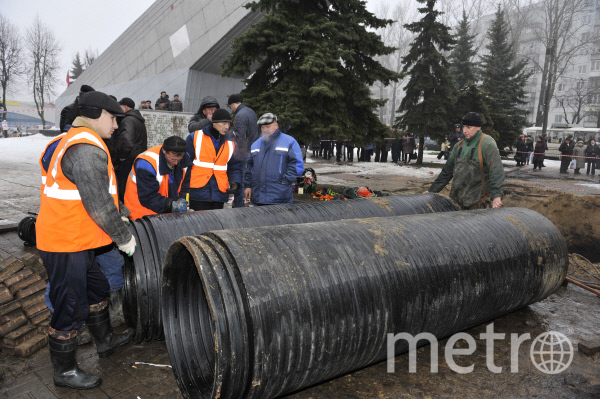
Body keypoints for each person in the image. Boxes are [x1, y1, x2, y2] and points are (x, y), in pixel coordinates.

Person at [35, 91, 136, 390]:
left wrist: (122, 211)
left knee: (97, 288)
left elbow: (99, 194)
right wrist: (123, 237)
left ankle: (104, 341)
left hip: (80, 240)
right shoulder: (86, 148)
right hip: (65, 242)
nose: (116, 125)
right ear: (96, 115)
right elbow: (97, 203)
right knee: (70, 306)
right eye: (113, 118)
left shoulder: (76, 141)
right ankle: (63, 372)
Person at [425, 112, 504, 210]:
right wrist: (432, 190)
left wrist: (497, 196)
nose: (464, 131)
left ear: (478, 127)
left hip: (478, 205)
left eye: (468, 127)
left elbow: (496, 171)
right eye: (463, 127)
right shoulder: (458, 146)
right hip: (457, 203)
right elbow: (447, 171)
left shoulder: (487, 144)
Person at [186, 108, 241, 210]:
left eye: (228, 124)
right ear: (214, 123)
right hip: (198, 192)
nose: (226, 127)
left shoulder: (231, 143)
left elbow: (235, 166)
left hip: (219, 194)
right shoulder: (195, 137)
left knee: (215, 224)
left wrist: (235, 182)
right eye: (224, 123)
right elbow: (185, 164)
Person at [124, 135, 192, 219]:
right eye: (172, 159)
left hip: (165, 216)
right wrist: (172, 205)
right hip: (141, 216)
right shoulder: (146, 163)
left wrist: (182, 202)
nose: (176, 163)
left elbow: (184, 188)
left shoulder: (185, 161)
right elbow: (148, 197)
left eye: (179, 159)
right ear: (164, 151)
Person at [244, 113, 304, 205]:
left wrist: (285, 181)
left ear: (276, 125)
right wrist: (248, 186)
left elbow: (297, 165)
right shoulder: (255, 144)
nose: (265, 130)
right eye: (262, 127)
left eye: (268, 127)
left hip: (279, 197)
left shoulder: (289, 141)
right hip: (258, 197)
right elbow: (249, 168)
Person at [111, 98, 148, 203]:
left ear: (125, 107)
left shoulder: (127, 120)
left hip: (128, 159)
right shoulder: (138, 119)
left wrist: (122, 156)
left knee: (123, 188)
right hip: (137, 158)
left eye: (121, 106)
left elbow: (127, 140)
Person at [227, 94, 259, 208]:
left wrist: (238, 153)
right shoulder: (251, 112)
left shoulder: (239, 115)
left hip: (244, 152)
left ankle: (239, 205)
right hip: (253, 149)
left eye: (231, 106)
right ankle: (250, 201)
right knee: (249, 178)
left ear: (233, 104)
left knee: (240, 179)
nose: (231, 109)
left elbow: (240, 136)